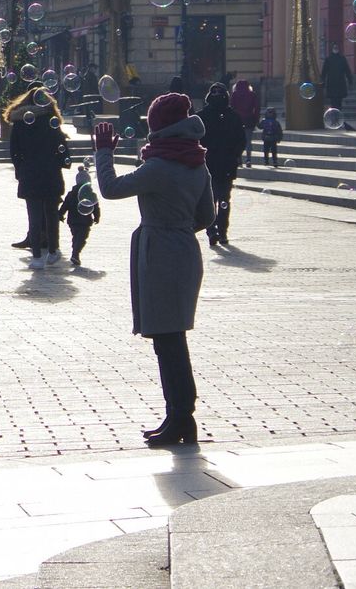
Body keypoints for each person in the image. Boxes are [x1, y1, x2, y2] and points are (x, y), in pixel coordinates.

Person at [93, 95, 215, 447]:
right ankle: (179, 418)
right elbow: (206, 217)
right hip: (185, 253)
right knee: (171, 339)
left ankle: (180, 419)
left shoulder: (160, 165)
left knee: (169, 341)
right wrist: (178, 227)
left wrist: (104, 152)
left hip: (161, 254)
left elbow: (111, 189)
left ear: (160, 125)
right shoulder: (196, 161)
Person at [6, 88, 70, 269]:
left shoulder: (20, 123)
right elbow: (62, 146)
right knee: (51, 214)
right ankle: (52, 251)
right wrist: (62, 163)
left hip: (30, 173)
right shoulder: (51, 120)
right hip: (50, 173)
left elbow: (14, 151)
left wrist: (20, 170)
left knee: (33, 216)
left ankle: (36, 257)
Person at [196, 83, 246, 247]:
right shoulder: (233, 116)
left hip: (212, 164)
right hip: (222, 165)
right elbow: (241, 141)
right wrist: (234, 155)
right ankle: (219, 232)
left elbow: (195, 141)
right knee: (222, 200)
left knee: (214, 200)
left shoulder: (202, 116)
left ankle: (215, 231)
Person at [59, 166, 101, 266]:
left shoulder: (71, 193)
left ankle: (75, 252)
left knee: (76, 236)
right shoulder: (91, 194)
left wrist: (60, 214)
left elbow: (65, 205)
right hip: (85, 221)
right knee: (82, 237)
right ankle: (75, 253)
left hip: (72, 221)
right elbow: (95, 207)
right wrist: (97, 217)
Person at [321, 43, 355, 129]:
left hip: (340, 85)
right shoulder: (328, 59)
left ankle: (338, 120)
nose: (336, 48)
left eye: (337, 47)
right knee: (333, 104)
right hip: (332, 85)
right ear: (332, 48)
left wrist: (350, 81)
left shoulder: (342, 58)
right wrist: (322, 83)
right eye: (334, 47)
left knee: (339, 104)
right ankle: (334, 120)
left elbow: (347, 71)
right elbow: (324, 72)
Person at [229, 79, 261, 163]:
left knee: (238, 140)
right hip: (249, 120)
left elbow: (231, 107)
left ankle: (239, 158)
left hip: (237, 121)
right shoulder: (252, 94)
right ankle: (248, 159)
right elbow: (257, 108)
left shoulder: (235, 94)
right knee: (248, 141)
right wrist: (256, 119)